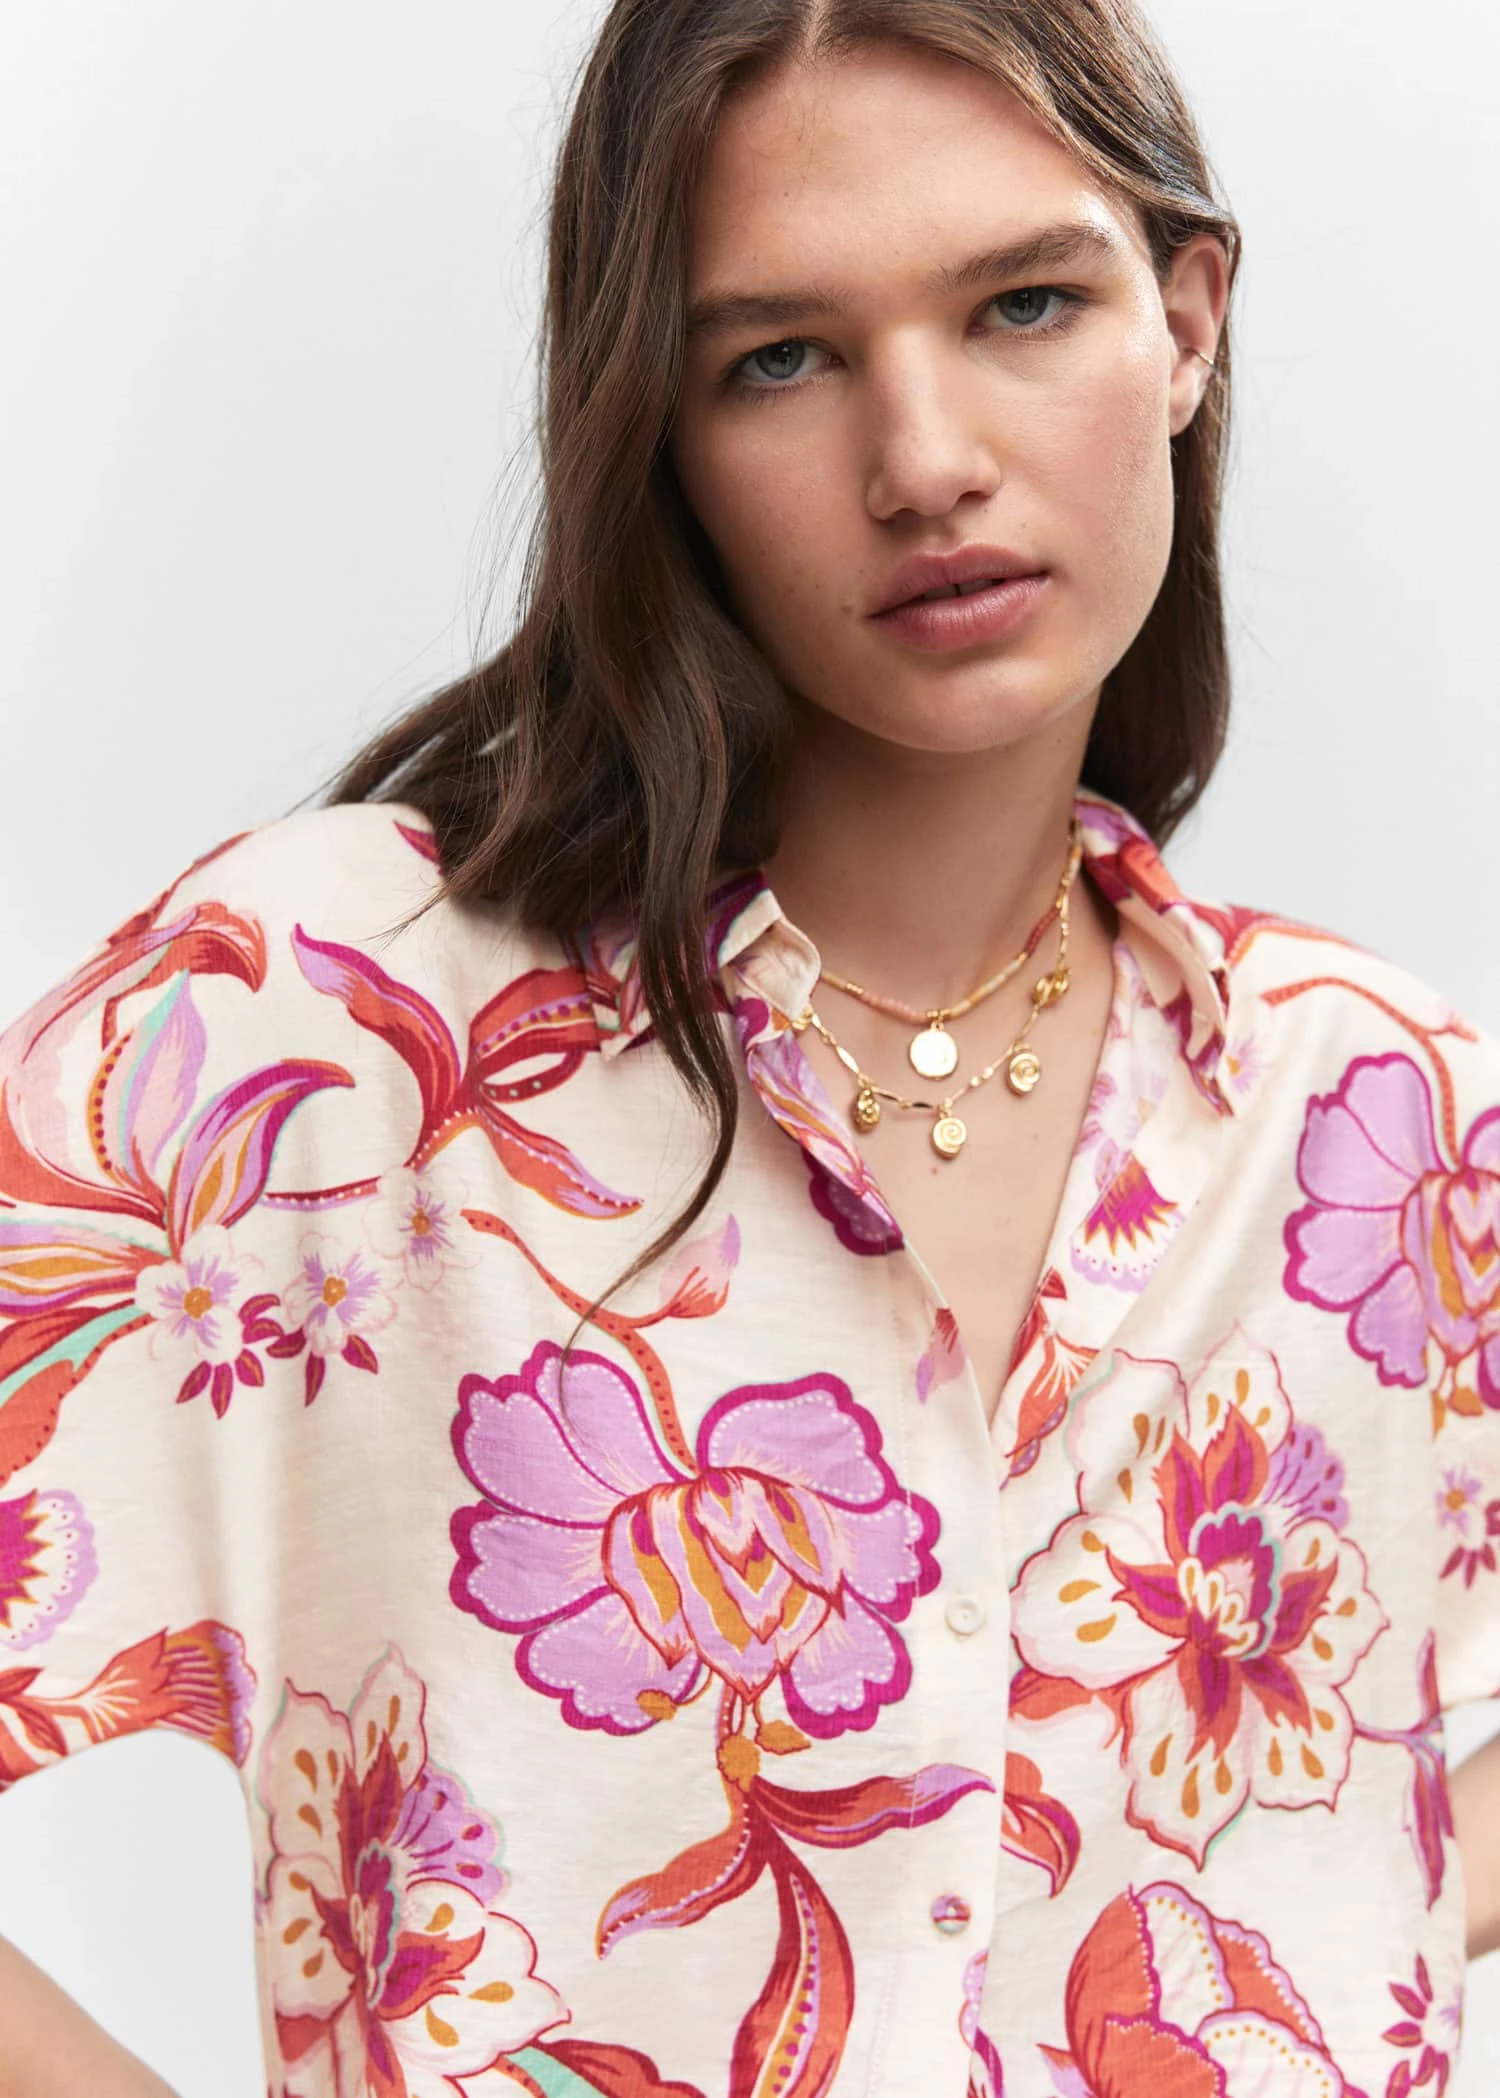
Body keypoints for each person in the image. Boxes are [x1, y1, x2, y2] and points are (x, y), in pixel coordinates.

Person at [1, 1, 1496, 2093]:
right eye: (780, 359)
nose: (926, 459)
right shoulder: (334, 1026)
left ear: (1185, 324)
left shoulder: (1382, 1110)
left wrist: (1342, 1881)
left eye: (1025, 305)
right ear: (662, 435)